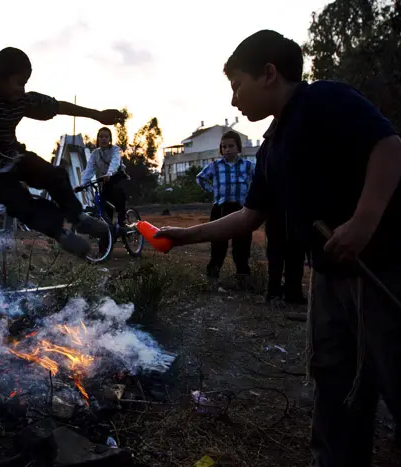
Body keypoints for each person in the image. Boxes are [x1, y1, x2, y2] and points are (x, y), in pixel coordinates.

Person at [155, 30, 401, 467]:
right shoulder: (271, 147)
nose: (233, 100)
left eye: (236, 85)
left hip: (379, 265)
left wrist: (363, 222)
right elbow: (250, 217)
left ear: (269, 74)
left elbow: (388, 147)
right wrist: (180, 236)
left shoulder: (324, 100)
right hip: (329, 276)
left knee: (394, 370)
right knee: (332, 373)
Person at [0, 47, 125, 257]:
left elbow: (59, 107)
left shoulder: (23, 101)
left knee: (55, 176)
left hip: (15, 157)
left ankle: (78, 217)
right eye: (19, 83)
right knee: (22, 205)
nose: (22, 89)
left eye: (25, 84)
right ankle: (61, 234)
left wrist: (97, 115)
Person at [196, 130, 255, 286]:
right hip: (220, 208)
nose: (227, 149)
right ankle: (213, 274)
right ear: (221, 149)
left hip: (241, 209)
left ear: (238, 147)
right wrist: (212, 191)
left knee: (242, 243)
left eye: (231, 146)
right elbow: (200, 178)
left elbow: (259, 180)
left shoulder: (248, 166)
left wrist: (251, 195)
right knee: (218, 242)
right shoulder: (215, 166)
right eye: (224, 146)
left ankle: (243, 276)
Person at [76, 127, 128, 230]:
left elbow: (115, 162)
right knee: (103, 203)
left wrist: (110, 173)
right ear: (98, 139)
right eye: (101, 137)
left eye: (106, 137)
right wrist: (82, 184)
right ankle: (109, 232)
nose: (103, 139)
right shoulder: (95, 153)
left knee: (118, 195)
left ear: (110, 139)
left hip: (117, 176)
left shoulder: (115, 150)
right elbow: (89, 169)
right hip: (105, 179)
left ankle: (122, 222)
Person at [266, 205, 306, 304]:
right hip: (277, 217)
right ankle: (274, 293)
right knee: (276, 257)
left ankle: (293, 293)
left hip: (296, 217)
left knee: (296, 255)